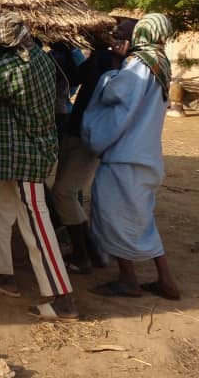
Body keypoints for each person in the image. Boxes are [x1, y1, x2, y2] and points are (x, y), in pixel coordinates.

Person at [0, 12, 77, 320]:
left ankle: (62, 299)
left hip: (26, 157)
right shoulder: (37, 56)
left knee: (37, 227)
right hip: (22, 155)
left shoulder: (13, 69)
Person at [85, 13, 181, 300]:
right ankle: (166, 281)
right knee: (142, 221)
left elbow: (117, 93)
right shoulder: (162, 63)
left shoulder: (139, 65)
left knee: (112, 216)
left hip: (126, 157)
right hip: (147, 156)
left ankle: (128, 280)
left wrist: (114, 66)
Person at [50, 18, 136, 274]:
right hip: (79, 131)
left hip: (91, 136)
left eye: (116, 31)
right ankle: (90, 252)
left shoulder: (124, 67)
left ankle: (84, 254)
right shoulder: (104, 59)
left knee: (64, 192)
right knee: (61, 190)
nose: (109, 34)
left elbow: (111, 94)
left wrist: (115, 62)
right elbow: (76, 77)